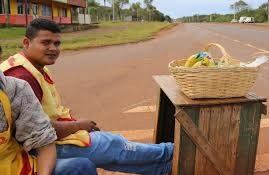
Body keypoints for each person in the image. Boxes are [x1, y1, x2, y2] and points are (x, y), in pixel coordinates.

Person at [0, 18, 173, 175]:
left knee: (112, 147)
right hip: (39, 146)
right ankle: (171, 151)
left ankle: (165, 166)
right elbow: (36, 131)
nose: (53, 49)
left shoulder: (31, 66)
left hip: (51, 136)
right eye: (46, 42)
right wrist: (78, 125)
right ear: (26, 43)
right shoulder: (21, 77)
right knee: (112, 145)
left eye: (57, 43)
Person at [0, 71, 98, 175]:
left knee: (80, 167)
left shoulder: (15, 88)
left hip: (16, 166)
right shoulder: (20, 72)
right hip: (55, 135)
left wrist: (77, 125)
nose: (55, 53)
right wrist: (77, 125)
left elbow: (44, 142)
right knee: (110, 144)